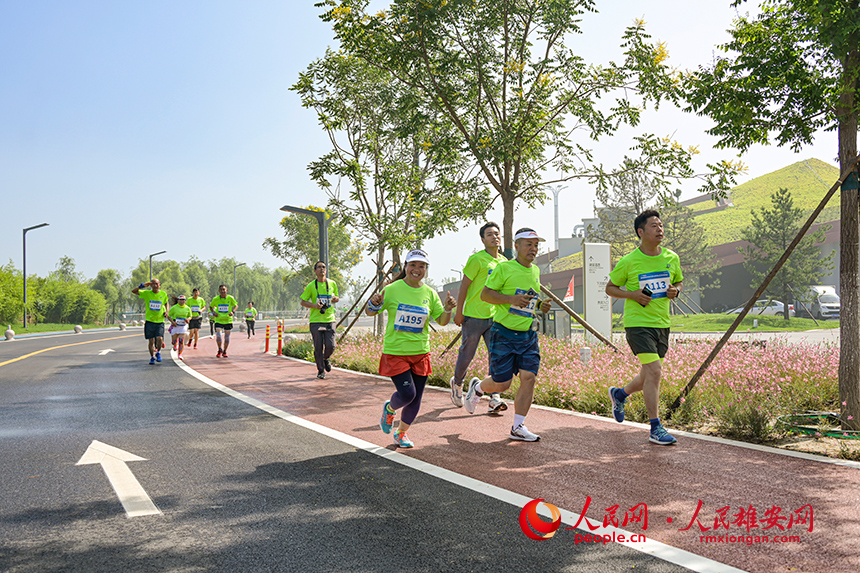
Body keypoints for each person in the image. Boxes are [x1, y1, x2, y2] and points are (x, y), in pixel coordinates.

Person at [463, 229, 552, 442]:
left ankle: (517, 426)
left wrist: (540, 304)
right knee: (503, 384)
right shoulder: (504, 268)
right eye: (528, 244)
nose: (533, 249)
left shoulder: (535, 271)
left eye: (536, 245)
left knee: (528, 377)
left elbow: (529, 296)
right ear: (517, 245)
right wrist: (511, 299)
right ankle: (477, 388)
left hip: (528, 334)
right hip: (503, 333)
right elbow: (486, 295)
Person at [606, 209, 683, 446]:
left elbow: (678, 281)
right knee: (655, 371)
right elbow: (610, 288)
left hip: (662, 323)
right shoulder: (629, 261)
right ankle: (655, 428)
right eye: (654, 226)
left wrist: (675, 291)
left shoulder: (671, 257)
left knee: (648, 374)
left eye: (661, 225)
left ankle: (619, 394)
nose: (660, 229)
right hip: (638, 324)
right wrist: (633, 295)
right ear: (641, 232)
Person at [366, 249, 456, 448]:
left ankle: (401, 433)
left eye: (421, 266)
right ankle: (390, 409)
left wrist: (448, 309)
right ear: (406, 266)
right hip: (396, 352)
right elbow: (370, 311)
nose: (417, 269)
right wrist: (372, 304)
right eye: (413, 265)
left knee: (416, 400)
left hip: (420, 353)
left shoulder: (430, 293)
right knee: (407, 395)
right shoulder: (392, 289)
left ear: (426, 269)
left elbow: (441, 320)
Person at [450, 221, 507, 413]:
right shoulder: (477, 260)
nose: (495, 237)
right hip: (474, 317)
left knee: (496, 356)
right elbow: (464, 286)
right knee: (467, 354)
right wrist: (459, 312)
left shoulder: (505, 263)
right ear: (483, 240)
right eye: (490, 234)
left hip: (496, 318)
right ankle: (457, 383)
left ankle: (494, 397)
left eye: (497, 234)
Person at [300, 261, 340, 379]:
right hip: (316, 320)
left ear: (326, 270)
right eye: (319, 267)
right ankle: (321, 370)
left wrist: (335, 299)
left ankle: (325, 358)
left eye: (324, 267)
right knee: (318, 347)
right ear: (315, 271)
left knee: (331, 345)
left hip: (329, 319)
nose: (322, 269)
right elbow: (303, 301)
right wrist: (315, 306)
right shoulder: (311, 286)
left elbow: (336, 297)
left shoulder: (332, 283)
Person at [132, 279, 170, 365]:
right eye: (153, 284)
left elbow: (166, 302)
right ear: (150, 285)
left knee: (160, 338)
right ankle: (152, 357)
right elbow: (134, 291)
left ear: (159, 285)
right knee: (151, 341)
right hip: (150, 321)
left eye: (156, 284)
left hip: (160, 321)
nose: (155, 285)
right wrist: (142, 285)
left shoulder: (163, 294)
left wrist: (167, 311)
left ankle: (158, 352)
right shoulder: (147, 294)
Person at [210, 284, 238, 358]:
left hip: (228, 320)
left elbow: (236, 305)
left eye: (224, 289)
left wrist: (233, 312)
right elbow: (211, 306)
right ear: (219, 291)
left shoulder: (230, 298)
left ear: (227, 290)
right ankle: (219, 349)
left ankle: (225, 351)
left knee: (227, 337)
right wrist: (213, 312)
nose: (222, 291)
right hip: (218, 320)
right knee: (218, 336)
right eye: (221, 290)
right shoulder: (215, 299)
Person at [168, 295, 192, 359]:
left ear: (185, 301)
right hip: (175, 326)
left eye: (183, 300)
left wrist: (188, 319)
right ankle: (174, 344)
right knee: (174, 340)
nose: (181, 301)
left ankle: (179, 354)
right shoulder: (174, 307)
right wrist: (173, 322)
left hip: (183, 326)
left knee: (181, 340)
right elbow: (169, 316)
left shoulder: (187, 308)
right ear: (178, 300)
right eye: (180, 300)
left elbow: (190, 316)